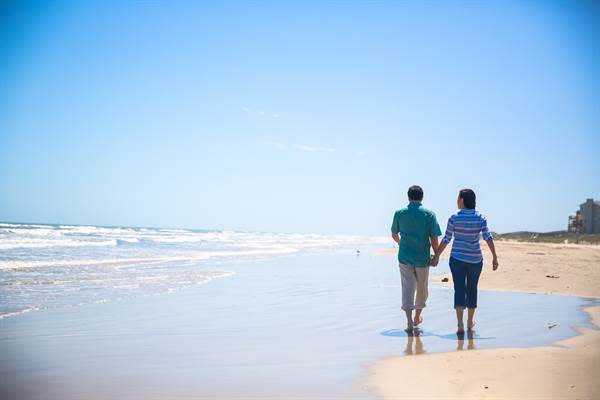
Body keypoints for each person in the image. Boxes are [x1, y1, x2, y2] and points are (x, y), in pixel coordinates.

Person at [430, 189, 499, 333]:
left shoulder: (454, 218)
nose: (456, 201)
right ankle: (469, 321)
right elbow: (487, 237)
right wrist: (494, 256)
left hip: (457, 259)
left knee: (459, 289)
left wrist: (436, 255)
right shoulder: (480, 218)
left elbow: (447, 239)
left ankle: (460, 324)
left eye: (457, 198)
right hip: (475, 259)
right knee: (472, 289)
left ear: (462, 200)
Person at [391, 185, 442, 331]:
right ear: (422, 197)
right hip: (422, 258)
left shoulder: (399, 213)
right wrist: (436, 255)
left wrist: (402, 244)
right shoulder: (429, 214)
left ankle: (408, 321)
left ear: (408, 197)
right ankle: (417, 316)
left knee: (407, 288)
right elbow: (434, 237)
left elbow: (394, 234)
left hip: (405, 256)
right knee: (422, 288)